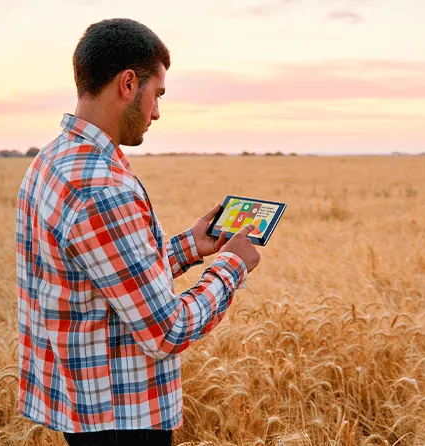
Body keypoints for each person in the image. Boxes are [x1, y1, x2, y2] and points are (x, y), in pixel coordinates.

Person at [14, 18, 261, 446]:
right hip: (122, 418)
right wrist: (232, 267)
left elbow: (107, 280)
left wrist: (189, 247)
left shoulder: (54, 159)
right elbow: (167, 330)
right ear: (128, 83)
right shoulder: (102, 188)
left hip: (85, 408)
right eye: (157, 93)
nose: (158, 111)